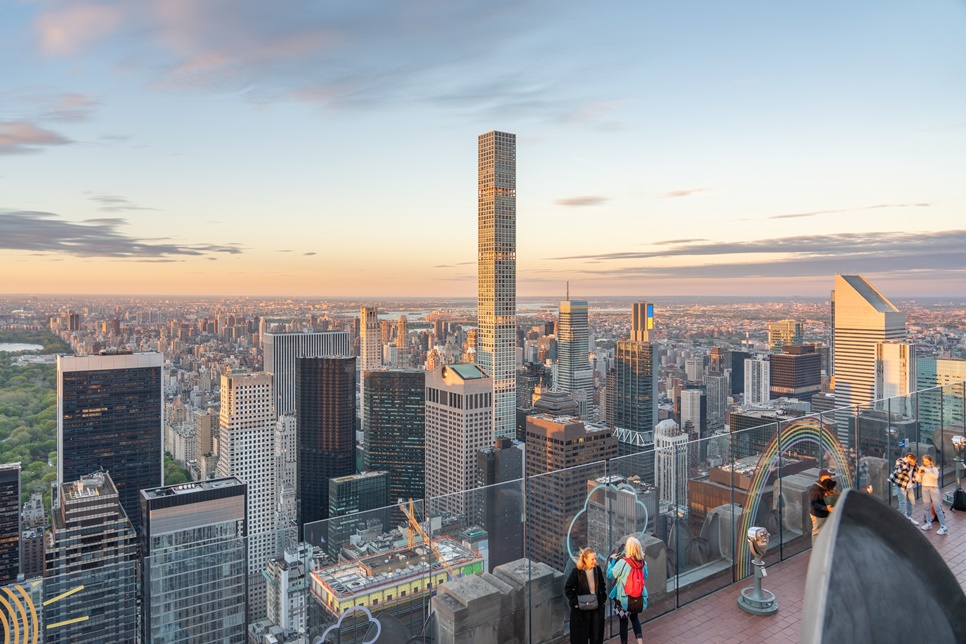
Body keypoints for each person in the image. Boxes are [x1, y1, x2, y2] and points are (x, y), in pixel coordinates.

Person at [607, 536, 647, 644]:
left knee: (623, 622)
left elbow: (610, 574)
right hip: (637, 597)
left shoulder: (623, 563)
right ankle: (640, 642)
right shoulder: (643, 563)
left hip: (623, 599)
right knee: (635, 619)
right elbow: (645, 575)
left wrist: (612, 561)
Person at [565, 548, 607, 644]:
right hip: (582, 610)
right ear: (585, 559)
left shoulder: (597, 570)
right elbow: (568, 588)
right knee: (581, 637)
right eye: (592, 559)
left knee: (596, 636)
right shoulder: (577, 572)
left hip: (596, 608)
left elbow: (602, 585)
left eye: (595, 558)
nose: (595, 561)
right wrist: (575, 603)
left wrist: (602, 598)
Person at [916, 455, 948, 536]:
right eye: (924, 461)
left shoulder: (934, 469)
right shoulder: (922, 468)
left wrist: (927, 470)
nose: (925, 463)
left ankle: (943, 526)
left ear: (930, 461)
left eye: (927, 461)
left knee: (937, 507)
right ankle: (928, 523)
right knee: (926, 506)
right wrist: (920, 473)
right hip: (924, 488)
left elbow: (935, 477)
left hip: (933, 488)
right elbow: (918, 480)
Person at [890, 453, 920, 525]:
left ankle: (908, 517)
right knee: (903, 502)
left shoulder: (915, 465)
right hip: (901, 485)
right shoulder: (900, 461)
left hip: (909, 486)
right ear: (908, 457)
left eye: (914, 461)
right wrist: (907, 462)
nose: (913, 463)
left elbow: (917, 474)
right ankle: (900, 520)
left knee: (912, 502)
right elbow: (900, 470)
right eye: (912, 461)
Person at [808, 469, 834, 539]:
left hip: (826, 514)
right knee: (817, 534)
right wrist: (826, 508)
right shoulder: (814, 489)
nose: (831, 478)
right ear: (823, 477)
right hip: (818, 515)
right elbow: (814, 503)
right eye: (829, 476)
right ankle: (815, 549)